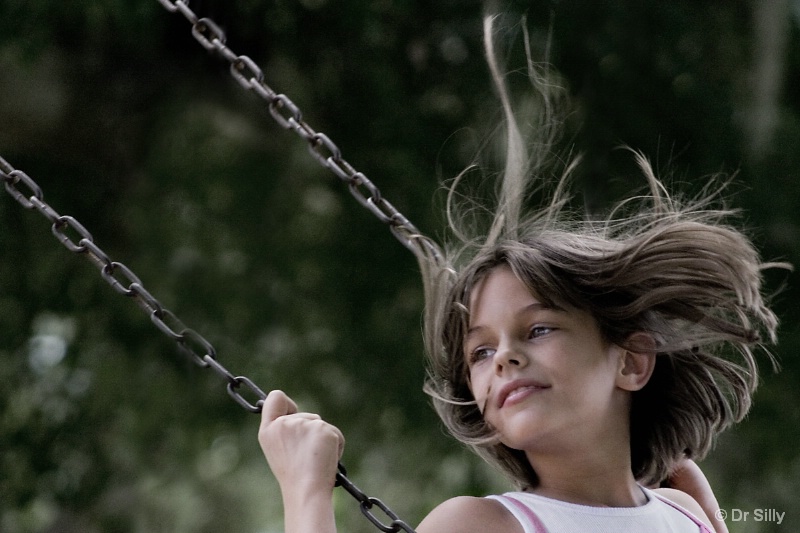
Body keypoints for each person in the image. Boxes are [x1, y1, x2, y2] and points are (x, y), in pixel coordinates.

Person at [257, 10, 786, 533]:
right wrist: (306, 486)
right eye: (480, 352)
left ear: (632, 361)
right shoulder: (482, 523)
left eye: (537, 329)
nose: (505, 358)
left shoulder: (685, 511)